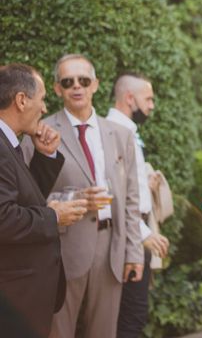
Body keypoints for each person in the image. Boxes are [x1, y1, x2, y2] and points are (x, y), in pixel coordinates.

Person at [21, 54, 143, 338]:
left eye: (84, 80)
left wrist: (133, 252)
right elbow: (27, 190)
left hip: (111, 248)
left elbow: (132, 198)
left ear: (96, 85)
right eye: (68, 81)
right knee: (58, 331)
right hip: (63, 248)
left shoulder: (120, 134)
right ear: (57, 89)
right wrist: (71, 198)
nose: (77, 86)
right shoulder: (40, 130)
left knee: (104, 332)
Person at [0, 64, 86, 337]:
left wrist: (45, 156)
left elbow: (25, 199)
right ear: (22, 101)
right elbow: (4, 218)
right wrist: (55, 216)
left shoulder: (9, 142)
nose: (45, 107)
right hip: (15, 295)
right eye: (42, 98)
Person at [107, 73, 170, 338]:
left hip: (138, 231)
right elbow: (114, 194)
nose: (152, 105)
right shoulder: (113, 132)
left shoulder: (129, 132)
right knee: (130, 315)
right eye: (149, 99)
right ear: (129, 98)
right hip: (128, 237)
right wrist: (143, 234)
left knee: (134, 313)